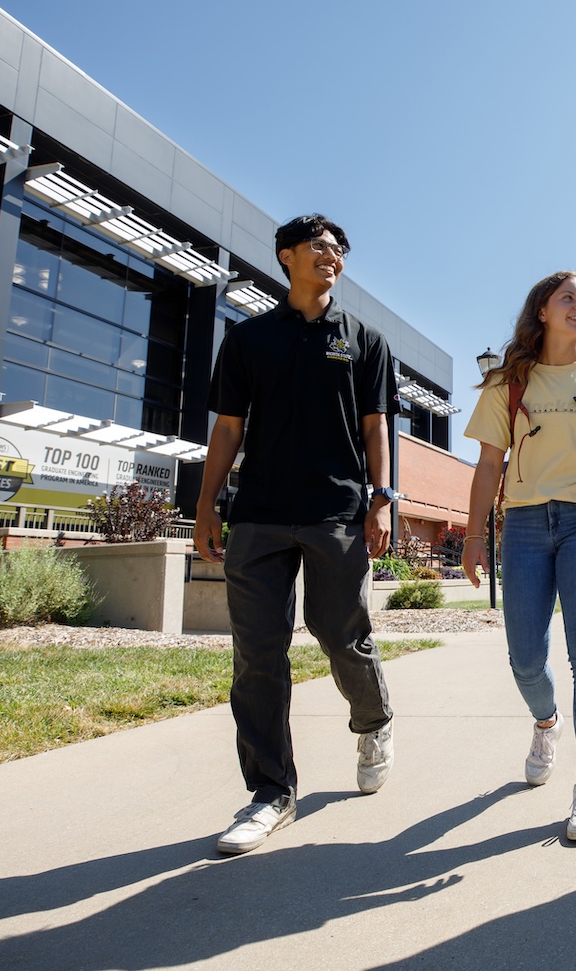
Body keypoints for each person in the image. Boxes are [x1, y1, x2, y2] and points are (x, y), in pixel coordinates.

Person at [193, 213, 399, 856]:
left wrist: (382, 499)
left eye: (340, 248)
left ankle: (373, 721)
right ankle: (270, 794)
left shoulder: (364, 340)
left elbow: (376, 427)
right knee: (257, 654)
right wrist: (206, 504)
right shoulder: (250, 338)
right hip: (257, 515)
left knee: (341, 635)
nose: (332, 255)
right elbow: (228, 428)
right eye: (319, 246)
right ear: (286, 257)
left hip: (336, 513)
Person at [461, 271, 576, 842]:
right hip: (521, 525)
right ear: (542, 310)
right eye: (569, 298)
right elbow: (489, 464)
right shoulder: (506, 384)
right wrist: (472, 536)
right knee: (523, 658)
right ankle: (546, 721)